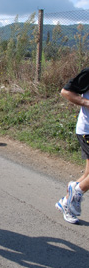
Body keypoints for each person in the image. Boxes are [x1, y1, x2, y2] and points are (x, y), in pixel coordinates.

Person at [55, 67, 89, 224]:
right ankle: (75, 193)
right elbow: (66, 92)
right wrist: (86, 102)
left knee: (87, 175)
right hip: (87, 130)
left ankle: (66, 202)